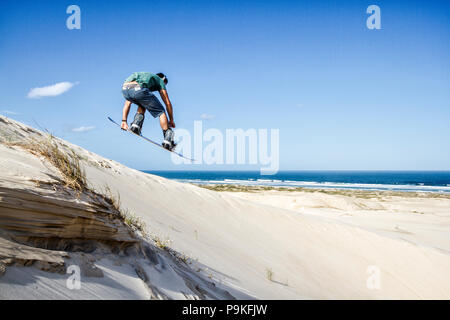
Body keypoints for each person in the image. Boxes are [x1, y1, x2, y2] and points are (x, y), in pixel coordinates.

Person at [121, 72, 176, 150]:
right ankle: (168, 139)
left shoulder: (144, 78)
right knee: (161, 111)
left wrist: (124, 120)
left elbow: (127, 104)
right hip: (139, 89)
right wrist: (171, 120)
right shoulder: (160, 80)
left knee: (143, 103)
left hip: (125, 89)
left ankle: (136, 125)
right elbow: (167, 102)